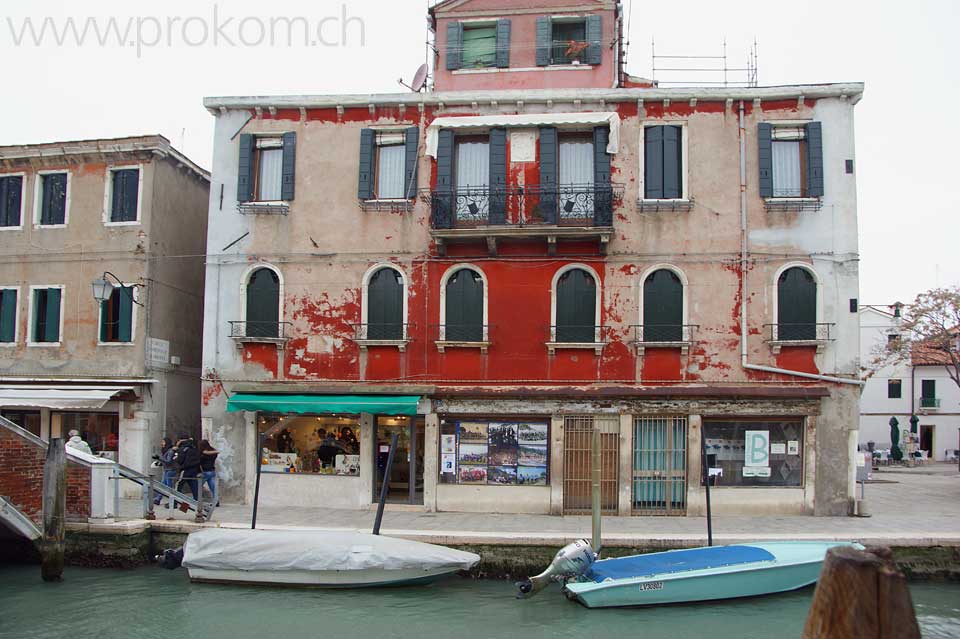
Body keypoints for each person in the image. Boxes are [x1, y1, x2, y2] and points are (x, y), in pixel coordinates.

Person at [174, 437, 202, 505]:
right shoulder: (195, 450)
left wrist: (176, 459)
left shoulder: (182, 450)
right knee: (194, 487)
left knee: (178, 486)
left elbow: (180, 460)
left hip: (185, 470)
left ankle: (175, 503)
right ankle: (197, 502)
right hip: (194, 470)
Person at [152, 437, 178, 506]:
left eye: (163, 442)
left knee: (168, 486)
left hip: (170, 470)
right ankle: (158, 499)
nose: (162, 443)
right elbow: (165, 461)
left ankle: (172, 501)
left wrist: (159, 458)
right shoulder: (166, 450)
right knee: (163, 485)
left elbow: (168, 461)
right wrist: (159, 462)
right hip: (167, 470)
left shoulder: (170, 451)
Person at [199, 439, 220, 507]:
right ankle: (216, 501)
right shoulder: (212, 452)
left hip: (205, 471)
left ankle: (196, 500)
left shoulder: (202, 453)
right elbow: (217, 452)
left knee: (197, 486)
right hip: (212, 471)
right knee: (213, 488)